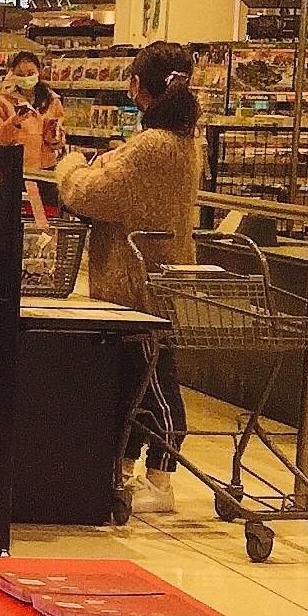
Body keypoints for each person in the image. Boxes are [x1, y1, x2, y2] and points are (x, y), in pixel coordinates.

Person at [55, 40, 202, 515]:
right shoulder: (179, 140)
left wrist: (70, 163)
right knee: (136, 380)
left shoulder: (153, 145)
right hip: (158, 275)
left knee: (151, 381)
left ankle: (160, 479)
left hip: (140, 283)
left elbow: (91, 194)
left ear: (136, 85)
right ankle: (124, 469)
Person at [0, 49, 64, 163]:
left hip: (45, 166)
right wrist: (13, 123)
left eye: (30, 73)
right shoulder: (3, 101)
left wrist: (56, 138)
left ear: (39, 71)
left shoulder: (52, 100)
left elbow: (61, 135)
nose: (26, 78)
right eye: (20, 75)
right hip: (15, 165)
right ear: (13, 74)